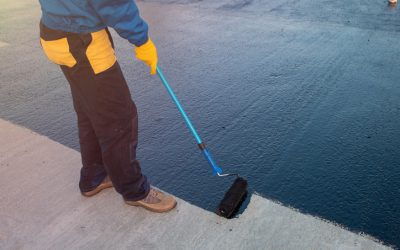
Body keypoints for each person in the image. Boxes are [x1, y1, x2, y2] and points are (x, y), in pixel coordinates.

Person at [38, 0, 176, 213]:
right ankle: (133, 189)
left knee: (89, 111)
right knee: (118, 119)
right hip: (83, 41)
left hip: (55, 33)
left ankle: (94, 177)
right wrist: (141, 40)